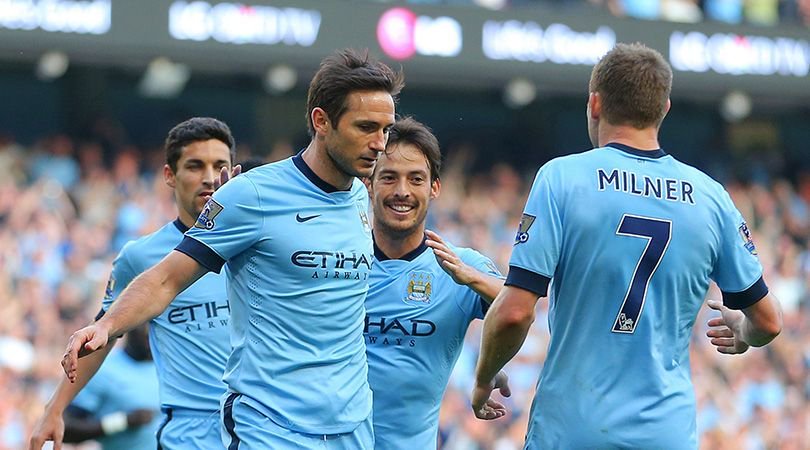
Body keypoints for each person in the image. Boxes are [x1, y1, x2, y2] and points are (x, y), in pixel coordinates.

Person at [61, 48, 404, 449]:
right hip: (272, 429)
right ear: (321, 121)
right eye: (366, 127)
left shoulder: (360, 198)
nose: (380, 143)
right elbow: (167, 278)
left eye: (386, 129)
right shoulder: (252, 194)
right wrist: (106, 326)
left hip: (352, 428)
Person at [471, 42, 783, 448]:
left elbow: (515, 313)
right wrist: (742, 332)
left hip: (573, 429)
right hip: (665, 434)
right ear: (664, 109)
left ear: (595, 103)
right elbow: (768, 322)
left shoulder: (562, 178)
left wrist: (483, 377)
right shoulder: (711, 197)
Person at [31, 117, 239, 450]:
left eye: (219, 166)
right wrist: (54, 409)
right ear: (169, 175)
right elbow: (104, 334)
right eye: (195, 166)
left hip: (258, 427)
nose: (209, 177)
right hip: (189, 433)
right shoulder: (141, 256)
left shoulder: (256, 248)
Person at [364, 117, 510, 450]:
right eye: (389, 177)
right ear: (369, 184)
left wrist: (488, 366)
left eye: (416, 179)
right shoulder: (339, 263)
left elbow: (519, 308)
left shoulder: (461, 266)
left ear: (434, 188)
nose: (402, 191)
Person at [62, 324, 160, 450]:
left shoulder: (170, 368)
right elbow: (66, 429)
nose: (148, 331)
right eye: (143, 325)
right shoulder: (103, 369)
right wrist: (122, 421)